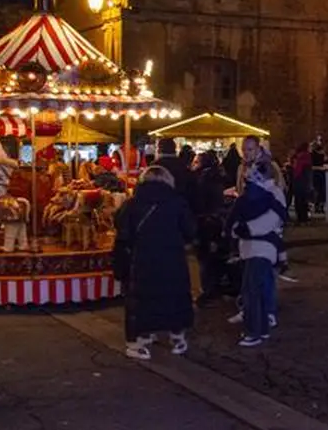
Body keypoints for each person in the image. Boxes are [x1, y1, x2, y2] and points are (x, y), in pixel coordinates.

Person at [113, 165, 196, 360]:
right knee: (174, 296)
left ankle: (136, 341)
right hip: (172, 259)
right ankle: (177, 335)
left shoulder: (132, 204)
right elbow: (190, 230)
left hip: (142, 259)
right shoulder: (178, 203)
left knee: (141, 300)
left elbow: (122, 231)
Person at [230, 155, 288, 347]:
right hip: (255, 247)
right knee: (256, 290)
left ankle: (253, 331)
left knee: (252, 291)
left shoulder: (271, 193)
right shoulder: (263, 193)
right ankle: (261, 328)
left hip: (261, 248)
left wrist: (246, 229)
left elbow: (273, 220)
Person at [192, 151, 228, 304]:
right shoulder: (217, 176)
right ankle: (215, 286)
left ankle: (208, 289)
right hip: (216, 219)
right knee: (213, 255)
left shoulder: (202, 179)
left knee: (205, 257)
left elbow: (200, 201)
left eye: (196, 162)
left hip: (205, 221)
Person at [155, 137, 195, 206]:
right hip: (181, 203)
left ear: (159, 149)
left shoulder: (155, 166)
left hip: (161, 204)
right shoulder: (183, 165)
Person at [290, 143, 313, 224]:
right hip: (303, 180)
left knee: (299, 200)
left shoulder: (297, 157)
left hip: (297, 180)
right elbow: (308, 172)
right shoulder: (307, 157)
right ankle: (304, 218)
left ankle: (300, 218)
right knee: (303, 201)